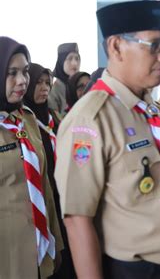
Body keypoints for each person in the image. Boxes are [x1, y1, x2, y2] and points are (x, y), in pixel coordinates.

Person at [54, 0, 160, 279]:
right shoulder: (91, 119)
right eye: (154, 46)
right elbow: (76, 219)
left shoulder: (150, 111)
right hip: (137, 271)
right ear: (117, 47)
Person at [0, 36, 63, 278]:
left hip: (41, 247)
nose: (22, 81)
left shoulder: (26, 119)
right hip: (8, 255)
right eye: (12, 73)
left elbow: (43, 186)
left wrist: (56, 243)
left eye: (25, 72)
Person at [23, 62, 76, 278]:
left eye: (47, 83)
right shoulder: (21, 124)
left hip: (65, 201)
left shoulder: (55, 117)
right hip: (44, 203)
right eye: (38, 83)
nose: (44, 87)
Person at [49, 42, 81, 115]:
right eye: (70, 59)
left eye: (77, 58)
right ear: (61, 61)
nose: (74, 63)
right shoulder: (54, 90)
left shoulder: (82, 86)